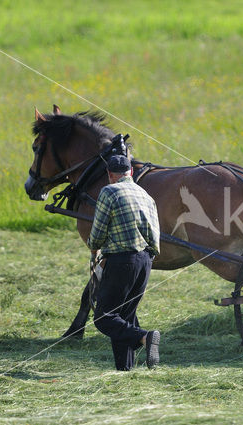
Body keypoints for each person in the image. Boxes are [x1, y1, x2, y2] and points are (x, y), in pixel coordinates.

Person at [87, 155, 161, 371]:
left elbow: (99, 229)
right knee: (123, 317)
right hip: (145, 260)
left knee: (104, 317)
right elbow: (155, 233)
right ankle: (125, 370)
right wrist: (147, 258)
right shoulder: (145, 194)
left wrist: (94, 247)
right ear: (130, 172)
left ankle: (145, 337)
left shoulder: (109, 191)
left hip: (121, 260)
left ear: (110, 175)